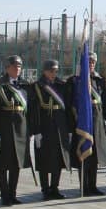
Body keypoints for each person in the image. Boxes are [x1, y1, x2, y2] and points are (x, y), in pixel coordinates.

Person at [0, 55, 31, 205]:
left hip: (20, 129)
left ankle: (12, 193)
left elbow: (28, 111)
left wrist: (30, 130)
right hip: (4, 129)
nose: (17, 69)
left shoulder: (25, 86)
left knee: (16, 164)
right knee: (2, 164)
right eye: (14, 66)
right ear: (7, 68)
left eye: (19, 67)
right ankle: (4, 194)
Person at [68, 52, 106, 197]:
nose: (91, 64)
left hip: (97, 122)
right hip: (82, 123)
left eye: (93, 62)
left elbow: (105, 103)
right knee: (84, 155)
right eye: (89, 62)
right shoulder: (74, 81)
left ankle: (93, 186)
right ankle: (83, 187)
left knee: (95, 157)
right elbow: (70, 104)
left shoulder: (100, 80)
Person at [29, 59, 70, 199]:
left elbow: (68, 109)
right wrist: (36, 131)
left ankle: (55, 187)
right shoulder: (36, 86)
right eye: (51, 70)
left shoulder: (61, 85)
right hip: (44, 127)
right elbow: (33, 111)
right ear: (45, 71)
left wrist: (68, 129)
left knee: (58, 159)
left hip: (60, 127)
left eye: (56, 71)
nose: (54, 73)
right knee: (44, 160)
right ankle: (45, 189)